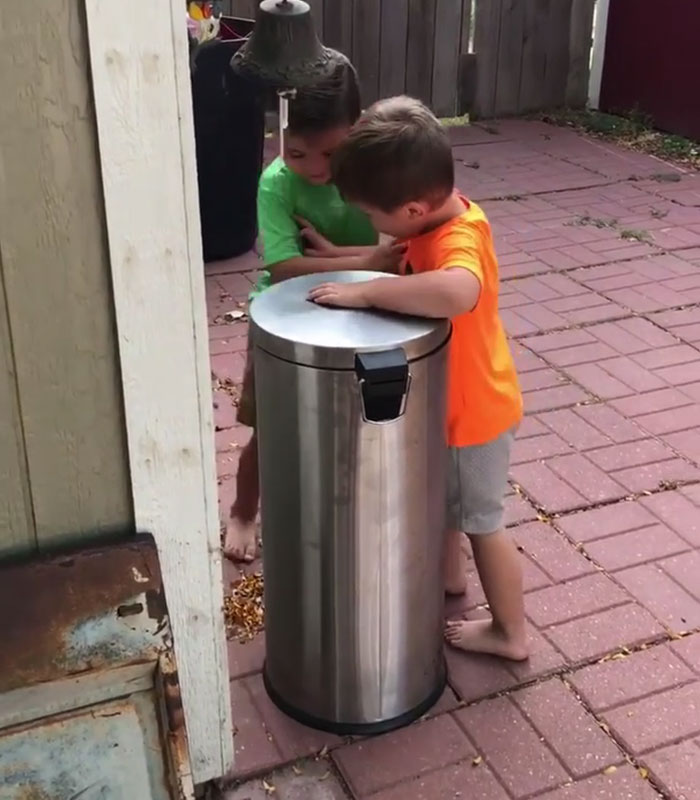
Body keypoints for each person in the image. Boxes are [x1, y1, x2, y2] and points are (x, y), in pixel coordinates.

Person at [308, 96, 527, 661]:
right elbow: (393, 252)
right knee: (446, 504)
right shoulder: (438, 212)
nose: (372, 226)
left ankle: (510, 632)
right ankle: (449, 583)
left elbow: (456, 290)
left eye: (372, 216)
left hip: (470, 414)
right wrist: (345, 256)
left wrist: (366, 291)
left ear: (410, 210)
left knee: (483, 521)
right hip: (456, 404)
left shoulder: (458, 241)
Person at [224, 52, 405, 563]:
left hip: (369, 312)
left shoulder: (376, 170)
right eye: (297, 152)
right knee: (270, 426)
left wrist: (334, 258)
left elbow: (400, 253)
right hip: (286, 318)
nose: (314, 168)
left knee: (367, 425)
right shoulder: (277, 182)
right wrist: (368, 259)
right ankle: (242, 510)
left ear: (359, 127)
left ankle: (365, 512)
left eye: (329, 154)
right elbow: (282, 268)